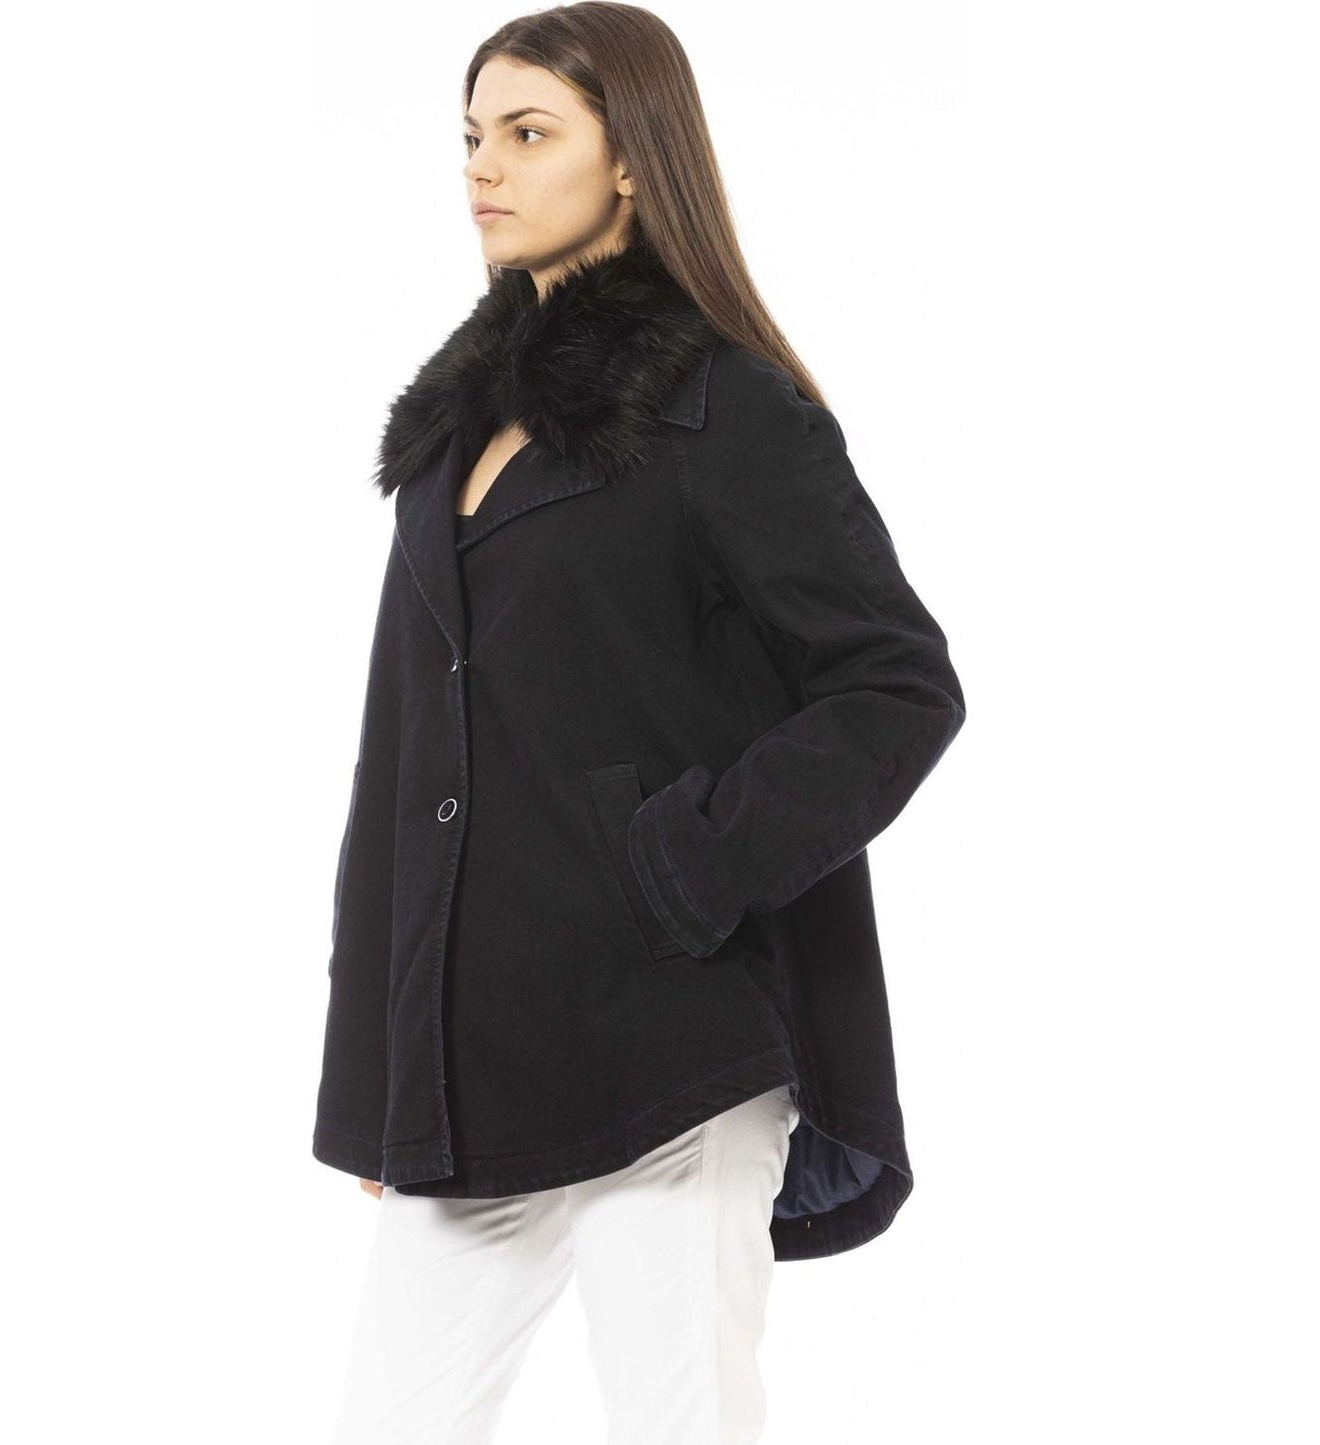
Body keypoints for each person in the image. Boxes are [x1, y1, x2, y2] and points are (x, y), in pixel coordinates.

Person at [315, 5, 966, 1441]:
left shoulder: (724, 410)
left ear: (629, 159)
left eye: (527, 132)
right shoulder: (450, 435)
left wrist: (680, 866)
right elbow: (402, 762)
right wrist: (378, 1068)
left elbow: (897, 684)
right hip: (477, 1059)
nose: (483, 167)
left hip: (673, 1047)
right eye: (472, 135)